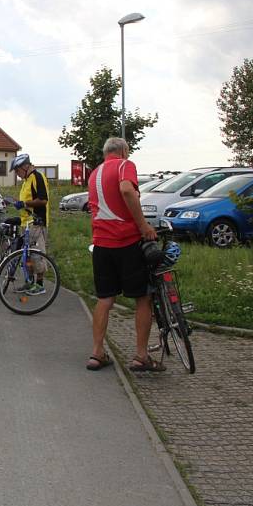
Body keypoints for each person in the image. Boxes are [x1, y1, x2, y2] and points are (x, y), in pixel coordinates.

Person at [86, 137, 159, 372]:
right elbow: (127, 190)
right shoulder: (124, 166)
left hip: (101, 243)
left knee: (105, 299)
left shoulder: (94, 173)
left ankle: (97, 353)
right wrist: (143, 226)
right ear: (124, 151)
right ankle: (141, 356)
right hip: (126, 242)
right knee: (142, 297)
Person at [9, 153, 50, 295]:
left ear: (25, 166)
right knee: (27, 256)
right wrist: (17, 203)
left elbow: (43, 200)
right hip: (26, 223)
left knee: (37, 254)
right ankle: (30, 282)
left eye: (17, 170)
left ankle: (40, 285)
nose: (17, 174)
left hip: (37, 222)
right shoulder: (26, 180)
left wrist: (24, 203)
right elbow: (26, 202)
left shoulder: (37, 177)